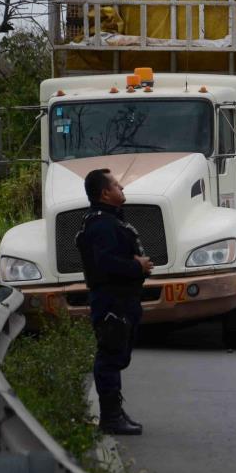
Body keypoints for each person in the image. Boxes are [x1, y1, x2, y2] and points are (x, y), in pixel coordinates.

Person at [76, 169, 153, 435]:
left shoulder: (109, 221)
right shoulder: (102, 224)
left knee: (116, 354)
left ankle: (114, 412)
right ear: (105, 193)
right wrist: (137, 265)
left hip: (121, 299)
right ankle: (110, 417)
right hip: (111, 300)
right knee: (109, 356)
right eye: (117, 185)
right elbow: (105, 263)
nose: (122, 188)